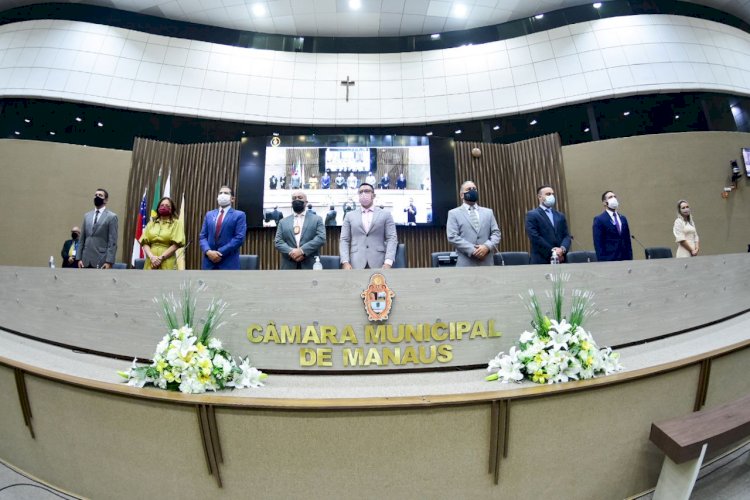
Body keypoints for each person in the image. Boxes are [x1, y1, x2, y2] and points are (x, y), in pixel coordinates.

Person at [340, 183, 398, 269]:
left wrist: (388, 262)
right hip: (355, 263)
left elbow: (392, 238)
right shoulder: (349, 215)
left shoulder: (385, 214)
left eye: (366, 191)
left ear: (373, 195)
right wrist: (345, 261)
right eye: (361, 192)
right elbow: (344, 239)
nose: (363, 194)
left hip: (380, 263)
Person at [446, 181, 501, 267]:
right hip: (465, 264)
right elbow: (452, 236)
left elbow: (496, 233)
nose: (472, 191)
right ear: (461, 195)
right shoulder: (453, 213)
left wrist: (486, 247)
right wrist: (474, 251)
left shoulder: (488, 212)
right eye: (469, 189)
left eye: (474, 189)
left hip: (487, 263)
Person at [199, 185, 247, 270]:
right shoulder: (209, 214)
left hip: (229, 263)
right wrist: (208, 252)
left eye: (226, 193)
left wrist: (219, 252)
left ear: (232, 199)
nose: (222, 195)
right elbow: (203, 236)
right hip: (209, 262)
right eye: (220, 193)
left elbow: (239, 238)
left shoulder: (239, 215)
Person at [274, 190, 326, 269]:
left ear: (306, 202)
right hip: (288, 265)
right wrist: (292, 252)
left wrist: (302, 251)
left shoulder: (317, 219)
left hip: (310, 265)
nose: (296, 200)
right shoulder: (282, 222)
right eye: (294, 198)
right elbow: (278, 242)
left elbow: (321, 238)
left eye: (300, 198)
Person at [525, 185, 572, 264]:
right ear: (540, 197)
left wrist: (562, 249)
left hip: (561, 260)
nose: (552, 196)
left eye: (552, 194)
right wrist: (554, 253)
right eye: (548, 194)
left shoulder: (560, 215)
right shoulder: (532, 215)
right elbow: (535, 237)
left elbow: (566, 236)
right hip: (541, 260)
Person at [140, 197, 185, 270]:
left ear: (172, 209)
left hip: (167, 262)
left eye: (167, 206)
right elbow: (144, 242)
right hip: (150, 261)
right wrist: (152, 257)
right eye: (162, 205)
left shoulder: (177, 224)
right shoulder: (151, 223)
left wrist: (160, 258)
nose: (164, 207)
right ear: (158, 208)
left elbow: (176, 244)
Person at [78, 188, 118, 269]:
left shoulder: (111, 217)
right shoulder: (87, 216)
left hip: (101, 260)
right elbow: (82, 239)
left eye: (100, 195)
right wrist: (79, 258)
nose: (97, 197)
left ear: (106, 200)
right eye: (95, 195)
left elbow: (112, 241)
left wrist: (109, 261)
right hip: (85, 260)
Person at [593, 190, 632, 261]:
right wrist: (602, 262)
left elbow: (628, 241)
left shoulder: (623, 218)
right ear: (604, 202)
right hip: (610, 260)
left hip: (625, 259)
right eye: (610, 197)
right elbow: (598, 244)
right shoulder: (599, 219)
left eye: (615, 197)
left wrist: (630, 258)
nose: (614, 198)